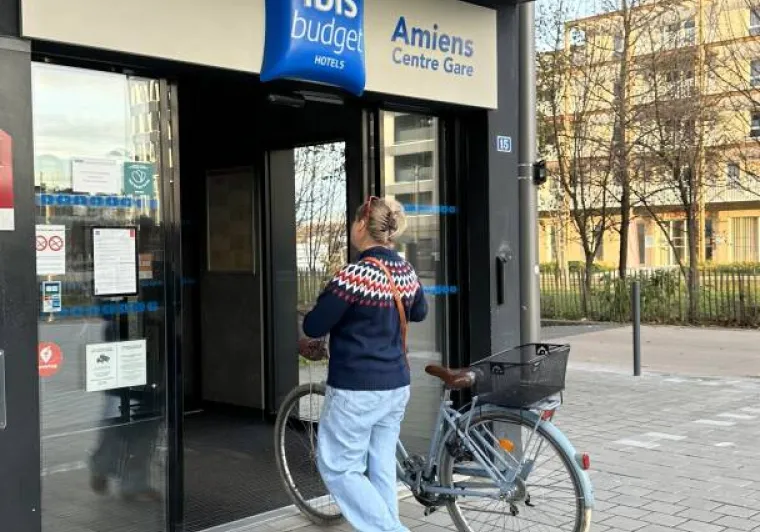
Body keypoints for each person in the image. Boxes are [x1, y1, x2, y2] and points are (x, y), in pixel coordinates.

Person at [303, 196, 428, 532]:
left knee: (339, 468)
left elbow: (314, 325)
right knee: (380, 466)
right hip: (396, 385)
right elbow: (419, 312)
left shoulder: (355, 275)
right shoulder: (405, 270)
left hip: (357, 389)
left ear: (361, 225)